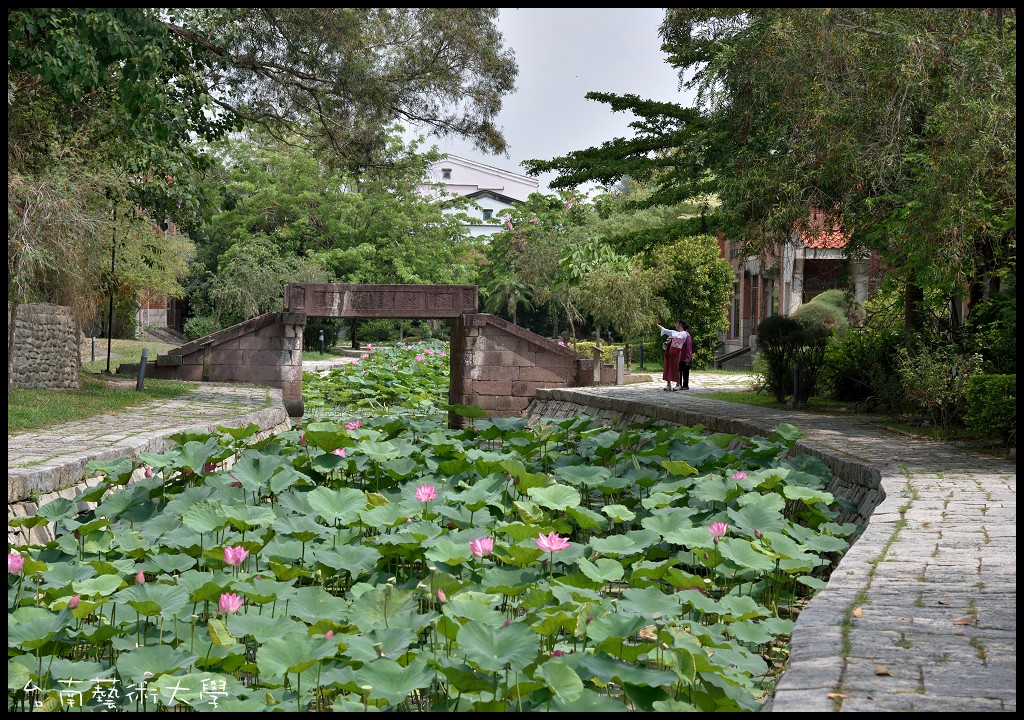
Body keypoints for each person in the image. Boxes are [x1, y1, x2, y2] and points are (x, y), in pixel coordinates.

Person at [657, 320, 690, 391]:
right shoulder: (673, 332)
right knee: (667, 366)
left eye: (677, 323)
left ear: (680, 325)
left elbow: (679, 338)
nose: (676, 325)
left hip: (676, 351)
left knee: (676, 367)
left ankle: (678, 384)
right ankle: (668, 384)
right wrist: (657, 325)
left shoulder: (684, 333)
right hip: (669, 350)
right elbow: (665, 330)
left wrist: (671, 337)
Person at [678, 321, 693, 390]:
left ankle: (685, 385)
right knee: (680, 371)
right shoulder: (680, 334)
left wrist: (688, 356)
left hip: (685, 356)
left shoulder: (687, 335)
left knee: (685, 371)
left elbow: (688, 347)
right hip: (680, 356)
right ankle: (679, 384)